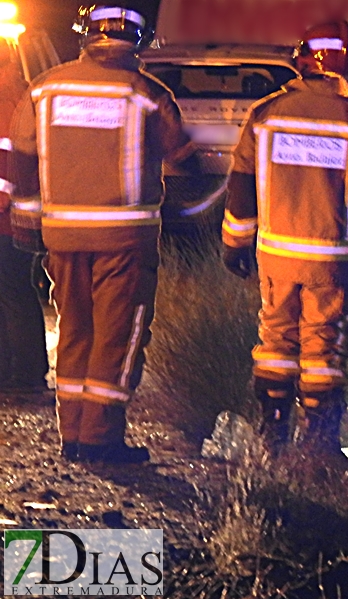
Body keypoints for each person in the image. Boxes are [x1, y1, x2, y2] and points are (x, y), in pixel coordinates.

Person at [8, 4, 196, 463]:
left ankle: (72, 436)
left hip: (62, 239)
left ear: (85, 35)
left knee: (75, 331)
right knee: (118, 336)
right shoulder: (148, 94)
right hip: (124, 241)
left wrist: (27, 222)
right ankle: (100, 438)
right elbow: (182, 160)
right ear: (138, 39)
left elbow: (23, 161)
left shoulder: (44, 89)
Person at [221, 20, 348, 455]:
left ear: (303, 61)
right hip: (331, 261)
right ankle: (319, 444)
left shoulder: (265, 115)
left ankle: (272, 433)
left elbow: (241, 187)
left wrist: (234, 244)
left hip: (276, 256)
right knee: (324, 349)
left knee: (275, 341)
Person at [0, 42, 49, 396]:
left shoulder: (7, 103)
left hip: (6, 217)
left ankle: (26, 372)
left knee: (13, 292)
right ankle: (19, 369)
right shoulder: (26, 96)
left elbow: (7, 163)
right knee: (15, 291)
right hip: (20, 216)